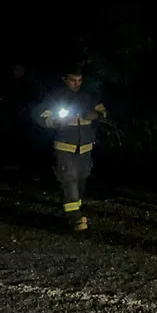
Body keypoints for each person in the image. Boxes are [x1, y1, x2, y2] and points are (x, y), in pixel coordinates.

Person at [38, 67, 107, 231]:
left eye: (79, 80)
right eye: (72, 80)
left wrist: (96, 115)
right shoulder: (55, 96)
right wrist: (56, 121)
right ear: (65, 79)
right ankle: (74, 215)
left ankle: (73, 209)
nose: (76, 84)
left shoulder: (88, 95)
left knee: (81, 178)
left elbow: (103, 113)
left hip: (85, 146)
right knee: (68, 178)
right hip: (64, 145)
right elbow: (41, 117)